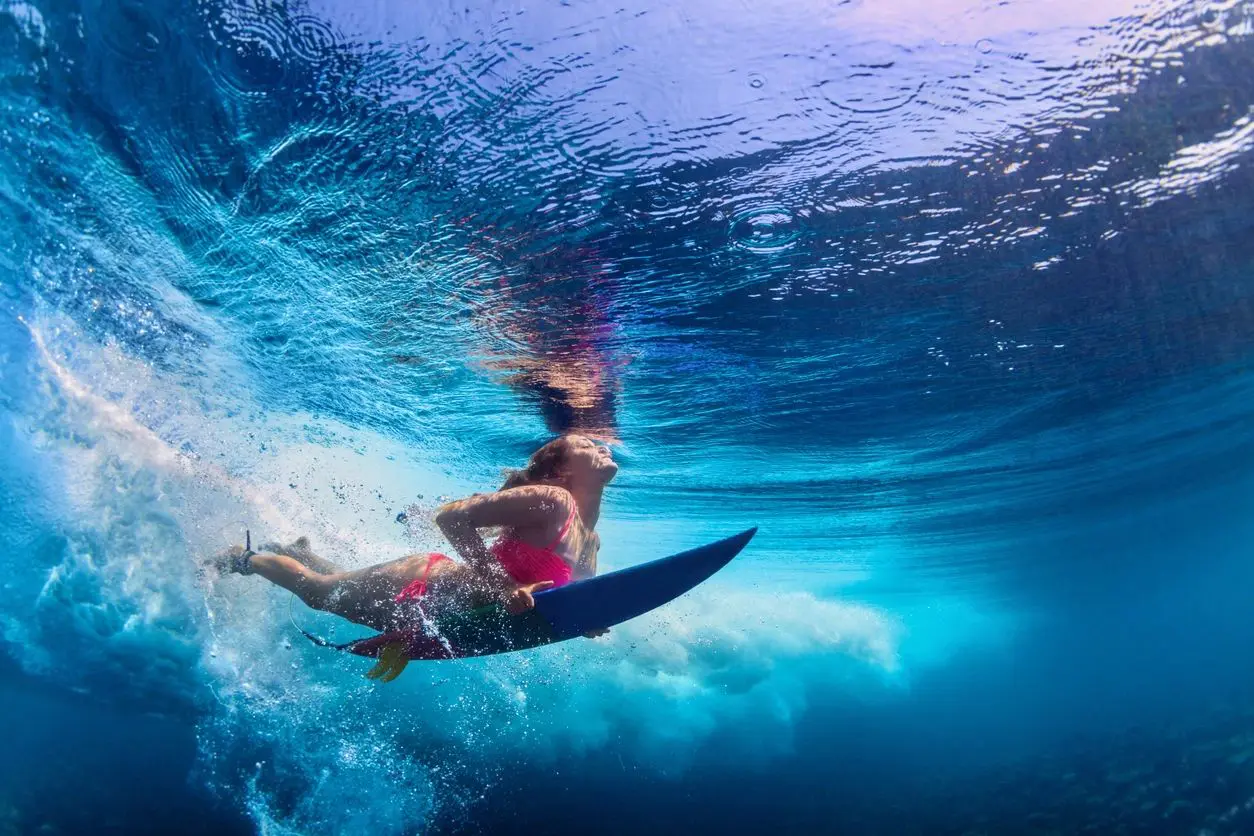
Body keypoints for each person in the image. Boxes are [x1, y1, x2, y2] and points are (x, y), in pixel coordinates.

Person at [213, 434, 617, 635]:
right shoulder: (552, 499)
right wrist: (502, 586)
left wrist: (585, 623)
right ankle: (243, 559)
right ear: (561, 470)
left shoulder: (590, 541)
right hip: (424, 588)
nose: (602, 447)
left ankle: (298, 550)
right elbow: (451, 518)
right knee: (318, 592)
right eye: (587, 444)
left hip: (451, 613)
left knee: (334, 585)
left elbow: (552, 601)